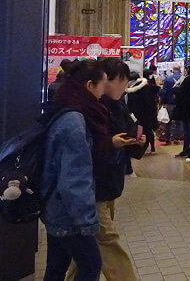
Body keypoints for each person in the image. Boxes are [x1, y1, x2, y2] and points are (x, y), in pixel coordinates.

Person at [66, 58, 144, 281]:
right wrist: (113, 143)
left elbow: (119, 138)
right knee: (107, 241)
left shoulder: (118, 105)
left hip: (108, 184)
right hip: (92, 187)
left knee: (90, 246)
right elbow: (84, 152)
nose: (123, 86)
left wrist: (135, 142)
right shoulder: (85, 111)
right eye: (119, 80)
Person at [41, 59, 107, 281]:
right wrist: (87, 221)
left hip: (53, 206)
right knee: (91, 265)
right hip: (68, 214)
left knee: (56, 269)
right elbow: (74, 179)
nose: (103, 92)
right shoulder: (75, 122)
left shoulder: (64, 108)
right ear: (89, 85)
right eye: (102, 86)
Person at [127, 70, 160, 153]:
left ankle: (142, 148)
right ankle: (151, 147)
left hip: (137, 113)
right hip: (147, 112)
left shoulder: (132, 90)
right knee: (148, 130)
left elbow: (130, 103)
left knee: (141, 130)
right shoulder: (146, 86)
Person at [159, 64, 182, 143]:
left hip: (170, 102)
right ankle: (177, 138)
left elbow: (164, 92)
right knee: (178, 121)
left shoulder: (167, 79)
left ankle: (168, 138)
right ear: (180, 70)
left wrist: (163, 102)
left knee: (168, 121)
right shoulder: (183, 79)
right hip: (180, 103)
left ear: (172, 70)